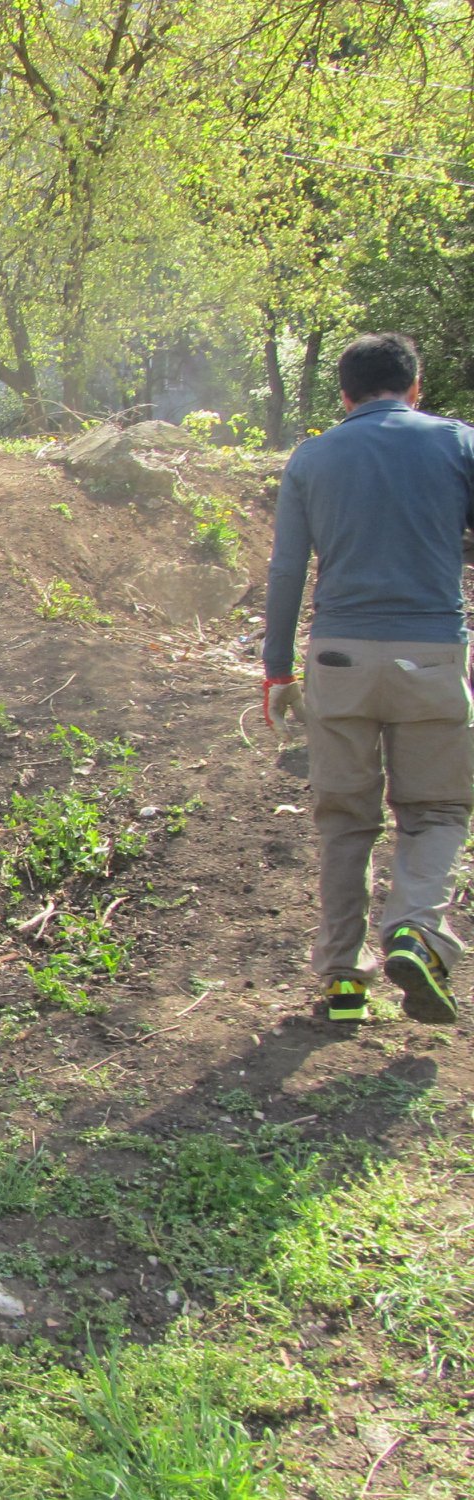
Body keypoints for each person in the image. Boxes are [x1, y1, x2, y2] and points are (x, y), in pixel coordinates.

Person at [262, 331, 474, 1026]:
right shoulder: (459, 445)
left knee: (344, 822)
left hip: (338, 661)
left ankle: (342, 981)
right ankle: (414, 928)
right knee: (436, 810)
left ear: (344, 397)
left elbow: (288, 569)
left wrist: (275, 668)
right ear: (416, 389)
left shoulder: (313, 456)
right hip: (433, 654)